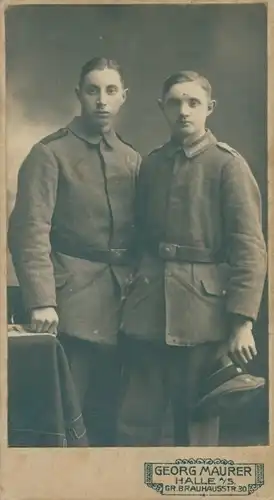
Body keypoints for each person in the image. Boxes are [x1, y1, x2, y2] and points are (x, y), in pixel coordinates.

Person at [118, 70, 267, 446]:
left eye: (193, 103)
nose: (183, 111)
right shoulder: (151, 164)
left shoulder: (228, 165)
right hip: (148, 309)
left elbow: (250, 248)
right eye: (174, 103)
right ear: (162, 108)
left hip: (203, 313)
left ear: (209, 109)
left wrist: (242, 321)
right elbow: (137, 236)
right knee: (137, 421)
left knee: (196, 426)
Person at [8, 57, 141, 446]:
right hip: (69, 305)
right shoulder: (49, 153)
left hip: (123, 304)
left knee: (112, 416)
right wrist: (41, 301)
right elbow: (29, 231)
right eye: (93, 90)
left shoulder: (132, 158)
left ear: (123, 98)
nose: (102, 100)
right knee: (68, 419)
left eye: (111, 91)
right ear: (78, 94)